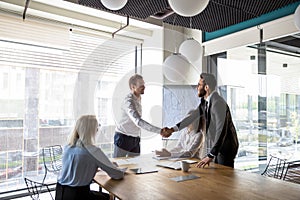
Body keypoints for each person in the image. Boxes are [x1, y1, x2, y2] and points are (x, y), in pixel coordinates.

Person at [163, 73, 239, 168]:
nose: (197, 88)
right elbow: (192, 117)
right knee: (216, 175)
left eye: (199, 85)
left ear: (206, 87)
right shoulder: (205, 101)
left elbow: (221, 130)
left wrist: (211, 155)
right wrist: (172, 129)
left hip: (226, 147)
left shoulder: (218, 103)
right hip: (217, 146)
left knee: (225, 176)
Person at [55, 115, 124, 200]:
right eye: (97, 127)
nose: (98, 130)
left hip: (60, 193)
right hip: (79, 196)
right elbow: (117, 175)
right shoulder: (93, 151)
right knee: (108, 197)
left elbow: (78, 166)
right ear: (91, 130)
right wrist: (116, 168)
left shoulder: (68, 147)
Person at [113, 74, 167, 158]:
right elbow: (138, 121)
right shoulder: (128, 101)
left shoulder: (138, 98)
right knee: (118, 167)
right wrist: (159, 131)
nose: (144, 87)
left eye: (144, 84)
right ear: (133, 87)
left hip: (135, 139)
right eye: (141, 85)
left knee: (136, 167)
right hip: (123, 138)